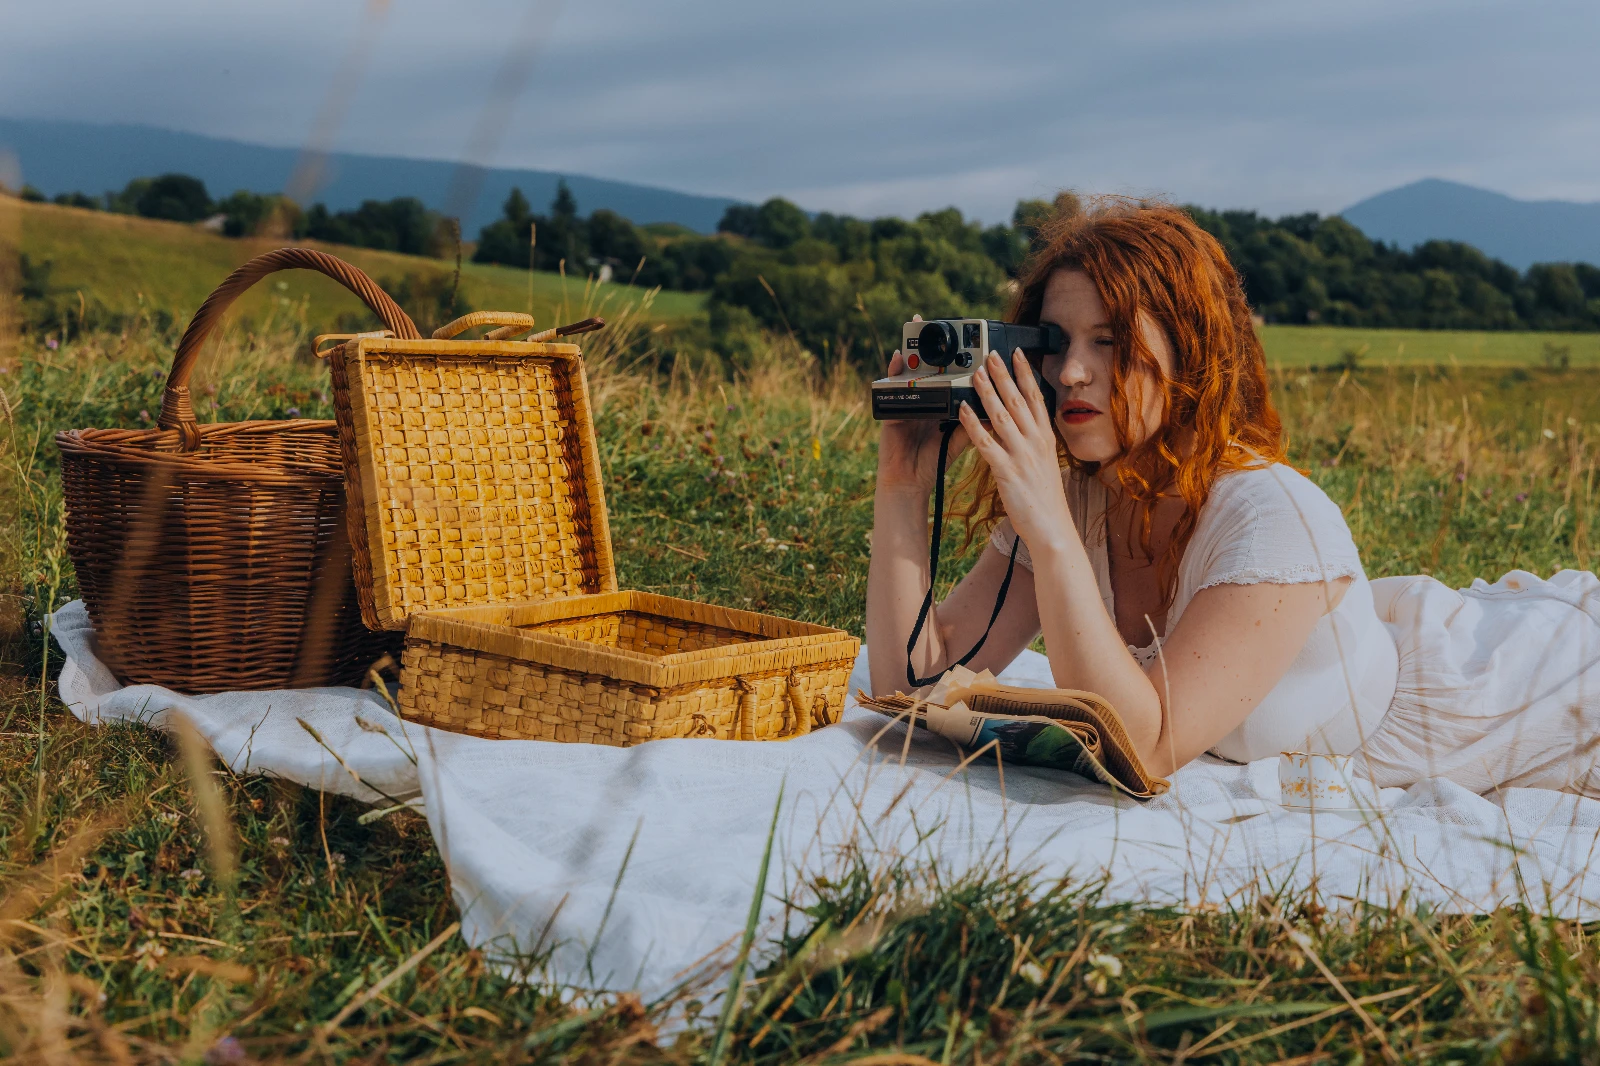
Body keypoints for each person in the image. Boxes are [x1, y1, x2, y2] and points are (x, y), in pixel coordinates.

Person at [865, 198, 1600, 795]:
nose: (1073, 373)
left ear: (1189, 353)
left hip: (1523, 699)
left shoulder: (1272, 513)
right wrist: (903, 487)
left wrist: (1049, 529)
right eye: (1055, 343)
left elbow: (1143, 748)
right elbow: (911, 683)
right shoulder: (1077, 504)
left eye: (1110, 341)